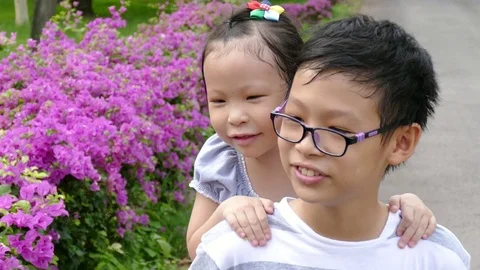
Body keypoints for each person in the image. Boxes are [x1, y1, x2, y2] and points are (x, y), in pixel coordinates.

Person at [189, 14, 471, 270]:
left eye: (336, 129)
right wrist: (225, 214)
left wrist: (405, 208)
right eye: (296, 118)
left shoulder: (434, 255)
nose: (306, 146)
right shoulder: (229, 250)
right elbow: (198, 247)